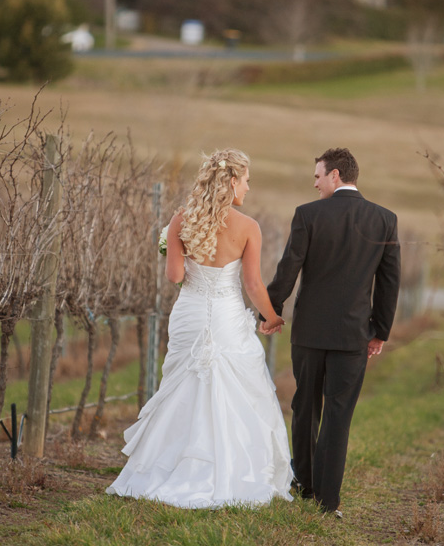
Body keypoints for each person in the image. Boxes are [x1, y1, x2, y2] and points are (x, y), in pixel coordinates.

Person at [107, 149, 293, 509]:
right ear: (232, 183)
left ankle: (169, 467)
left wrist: (175, 250)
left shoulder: (181, 220)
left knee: (183, 388)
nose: (249, 188)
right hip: (225, 315)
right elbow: (253, 285)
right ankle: (233, 470)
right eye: (247, 180)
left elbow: (175, 276)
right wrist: (271, 317)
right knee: (234, 389)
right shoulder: (248, 227)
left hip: (190, 312)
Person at [259, 147, 401, 517]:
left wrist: (270, 311)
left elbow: (288, 269)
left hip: (308, 332)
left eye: (319, 175)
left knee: (305, 407)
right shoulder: (384, 219)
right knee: (339, 413)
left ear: (336, 175)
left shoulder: (308, 214)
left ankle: (304, 484)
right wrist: (380, 331)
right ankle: (328, 501)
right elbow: (389, 282)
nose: (316, 182)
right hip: (354, 335)